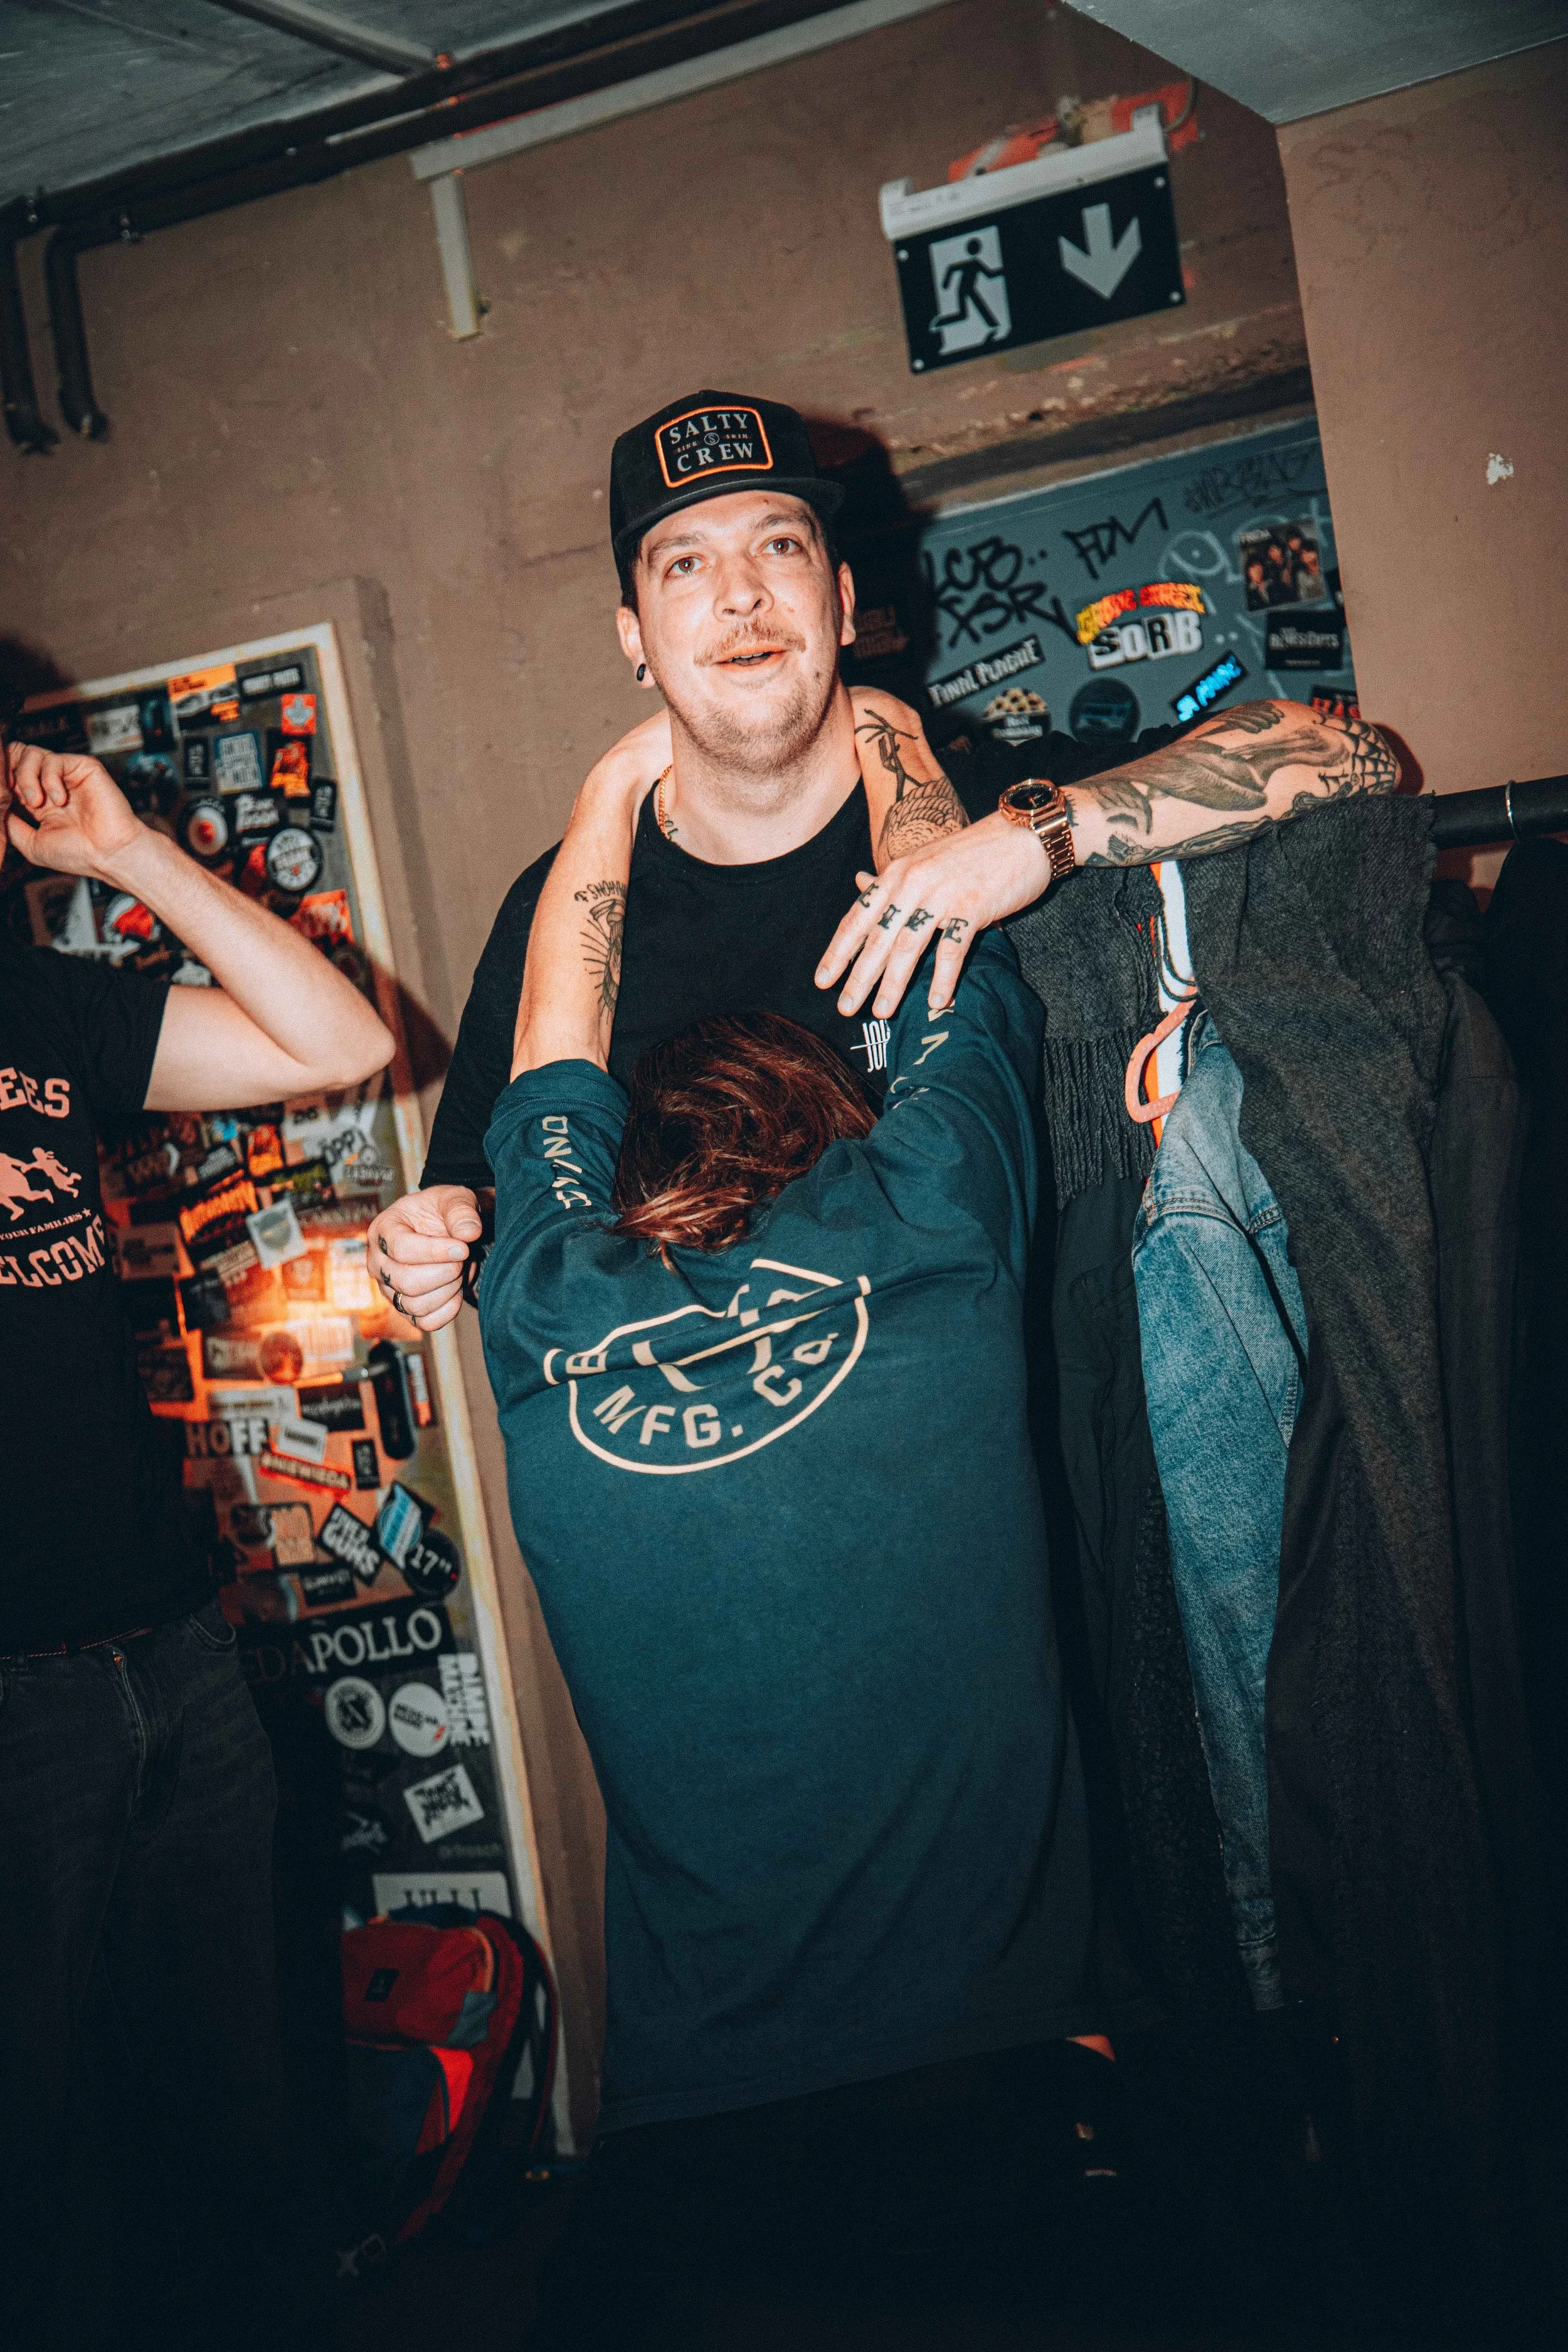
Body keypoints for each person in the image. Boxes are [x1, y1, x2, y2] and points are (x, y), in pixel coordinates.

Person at [479, 728, 1097, 2343]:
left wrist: (604, 789)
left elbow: (550, 1050)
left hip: (678, 2138)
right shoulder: (934, 1220)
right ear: (854, 1111)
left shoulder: (540, 1310)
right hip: (974, 2082)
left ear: (616, 1165)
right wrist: (882, 729)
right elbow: (939, 955)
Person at [368, 386, 1397, 1328]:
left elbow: (1354, 756)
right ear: (634, 637)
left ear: (846, 601)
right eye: (686, 561)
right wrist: (427, 1246)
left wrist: (1047, 836)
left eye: (780, 546)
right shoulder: (560, 911)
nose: (740, 596)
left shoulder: (998, 803)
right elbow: (474, 1200)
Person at [0, 737, 393, 2347]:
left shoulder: (39, 1007)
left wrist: (133, 858)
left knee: (230, 2152)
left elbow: (342, 1038)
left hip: (172, 1657)